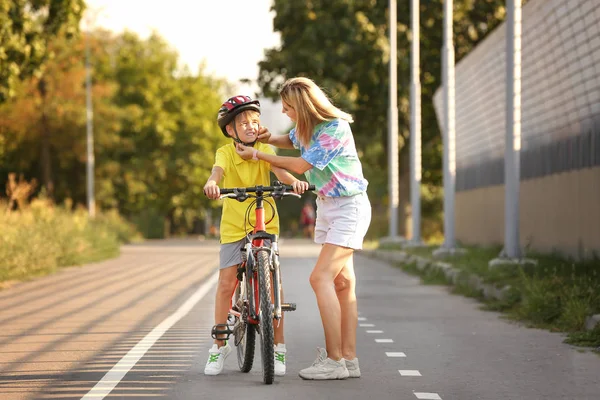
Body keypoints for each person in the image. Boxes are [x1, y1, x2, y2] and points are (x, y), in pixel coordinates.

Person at [235, 77, 372, 380]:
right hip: (329, 206)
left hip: (349, 208)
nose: (285, 113)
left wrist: (257, 153)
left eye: (288, 108)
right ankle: (349, 359)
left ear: (303, 106)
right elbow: (291, 140)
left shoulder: (334, 129)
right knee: (342, 284)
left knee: (319, 277)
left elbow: (299, 166)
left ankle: (334, 361)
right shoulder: (307, 129)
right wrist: (269, 137)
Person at [203, 95, 309, 376]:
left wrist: (295, 182)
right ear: (230, 130)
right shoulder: (225, 152)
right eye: (243, 123)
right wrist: (212, 183)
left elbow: (280, 171)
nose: (250, 126)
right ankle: (219, 345)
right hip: (234, 226)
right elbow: (217, 172)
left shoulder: (263, 149)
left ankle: (278, 346)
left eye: (254, 121)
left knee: (274, 285)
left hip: (265, 221)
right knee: (226, 284)